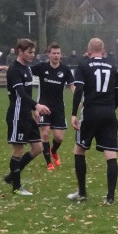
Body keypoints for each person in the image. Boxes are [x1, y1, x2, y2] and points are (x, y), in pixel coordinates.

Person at [68, 38, 118, 205]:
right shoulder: (112, 66)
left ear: (88, 50)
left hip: (90, 112)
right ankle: (110, 197)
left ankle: (82, 193)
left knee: (79, 151)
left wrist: (73, 113)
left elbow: (78, 91)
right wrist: (110, 109)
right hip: (109, 113)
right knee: (110, 155)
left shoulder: (83, 65)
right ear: (103, 50)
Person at [2, 39, 51, 196]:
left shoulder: (27, 69)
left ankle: (11, 176)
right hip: (17, 114)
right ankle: (16, 187)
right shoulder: (14, 70)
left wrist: (33, 110)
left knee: (38, 148)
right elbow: (20, 94)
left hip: (27, 114)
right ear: (20, 51)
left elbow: (27, 93)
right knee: (18, 150)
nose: (32, 55)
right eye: (29, 52)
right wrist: (37, 105)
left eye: (33, 52)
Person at [32, 43, 75, 171]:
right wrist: (6, 68)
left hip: (58, 107)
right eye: (54, 53)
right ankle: (48, 162)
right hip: (43, 106)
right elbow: (23, 70)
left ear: (60, 55)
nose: (56, 55)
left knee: (59, 137)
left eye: (58, 53)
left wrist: (77, 98)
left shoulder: (65, 70)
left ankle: (54, 151)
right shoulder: (41, 67)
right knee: (44, 134)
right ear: (49, 54)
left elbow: (72, 85)